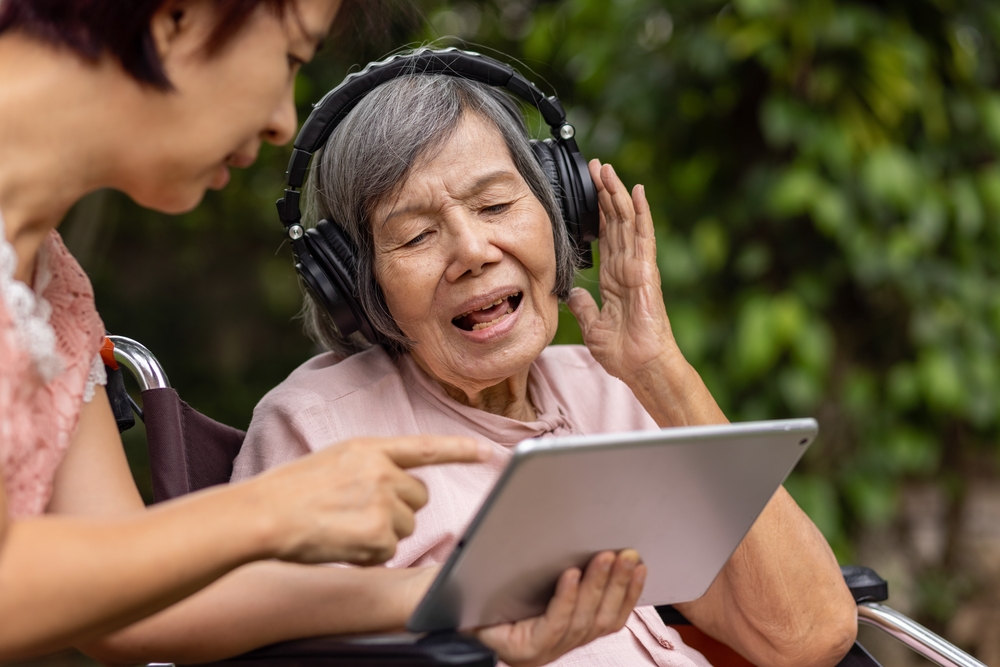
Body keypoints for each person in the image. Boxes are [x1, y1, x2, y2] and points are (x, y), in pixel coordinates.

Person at [0, 1, 645, 664]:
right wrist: (270, 511)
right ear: (176, 19)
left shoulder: (49, 279)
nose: (283, 120)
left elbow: (126, 611)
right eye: (289, 59)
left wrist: (457, 599)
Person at [232, 69, 861, 667]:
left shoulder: (609, 390)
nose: (473, 252)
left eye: (497, 205)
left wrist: (661, 371)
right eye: (418, 237)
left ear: (557, 213)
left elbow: (806, 637)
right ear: (354, 283)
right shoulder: (316, 430)